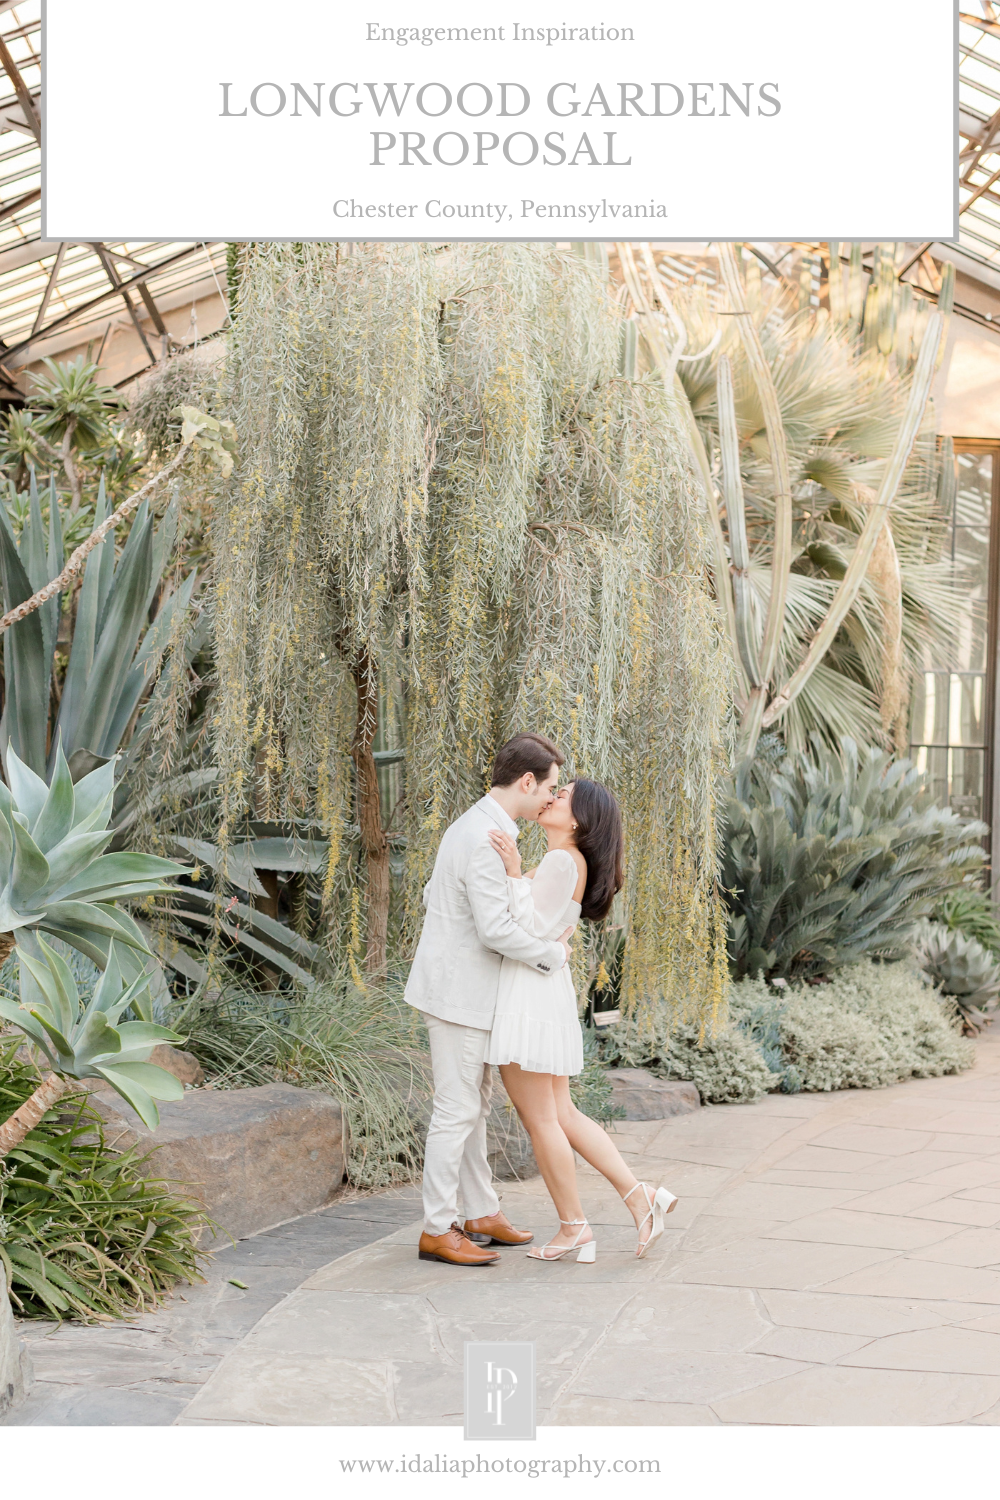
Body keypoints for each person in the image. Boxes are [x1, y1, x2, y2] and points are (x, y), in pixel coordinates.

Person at [486, 778, 678, 1261]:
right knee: (563, 1114)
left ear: (578, 820)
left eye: (563, 795)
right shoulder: (568, 862)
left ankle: (575, 1226)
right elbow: (547, 929)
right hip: (544, 991)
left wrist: (511, 873)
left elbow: (524, 928)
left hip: (530, 995)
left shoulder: (560, 860)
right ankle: (641, 1198)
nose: (551, 797)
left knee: (542, 1119)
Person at [405, 732, 574, 1267]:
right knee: (456, 1110)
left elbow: (440, 898)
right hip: (458, 994)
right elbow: (496, 929)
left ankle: (481, 1212)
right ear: (526, 781)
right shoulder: (482, 836)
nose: (551, 798)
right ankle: (437, 1228)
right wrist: (552, 955)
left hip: (469, 992)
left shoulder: (486, 828)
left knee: (473, 1107)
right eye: (548, 788)